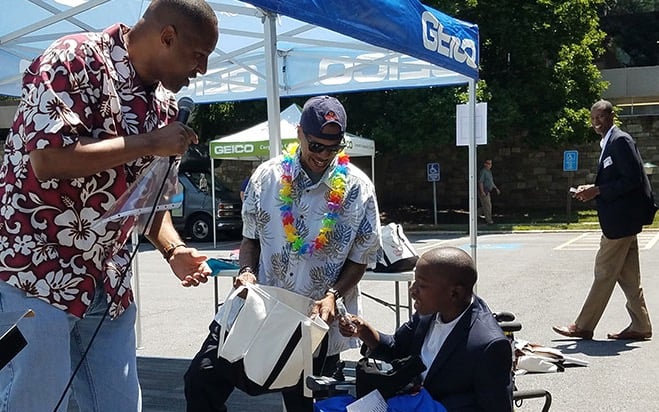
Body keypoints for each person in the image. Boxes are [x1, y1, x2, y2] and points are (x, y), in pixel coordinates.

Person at [0, 1, 218, 411]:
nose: (201, 70)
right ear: (167, 37)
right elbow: (48, 158)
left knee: (119, 404)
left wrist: (173, 249)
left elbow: (150, 202)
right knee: (33, 403)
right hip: (36, 275)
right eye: (198, 56)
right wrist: (151, 142)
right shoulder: (73, 58)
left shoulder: (165, 107)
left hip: (108, 284)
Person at [184, 95, 382, 412]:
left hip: (314, 321)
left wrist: (333, 294)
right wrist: (246, 271)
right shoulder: (267, 177)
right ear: (300, 133)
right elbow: (250, 239)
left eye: (334, 148)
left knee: (305, 406)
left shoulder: (358, 188)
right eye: (317, 145)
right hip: (260, 309)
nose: (324, 155)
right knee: (201, 380)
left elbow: (361, 258)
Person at [339, 246, 513, 411]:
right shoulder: (428, 314)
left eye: (421, 285)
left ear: (455, 293)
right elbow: (396, 348)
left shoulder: (487, 345)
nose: (412, 290)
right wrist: (364, 332)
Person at [553, 100, 653, 341]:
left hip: (620, 222)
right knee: (629, 278)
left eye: (600, 117)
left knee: (604, 272)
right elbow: (617, 180)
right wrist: (592, 189)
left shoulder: (620, 141)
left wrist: (596, 191)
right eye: (593, 118)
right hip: (621, 222)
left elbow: (633, 180)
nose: (596, 122)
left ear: (612, 116)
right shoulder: (609, 142)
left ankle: (583, 326)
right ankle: (641, 325)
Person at [478, 159, 500, 224]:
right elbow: (480, 182)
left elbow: (491, 182)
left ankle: (474, 214)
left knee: (485, 205)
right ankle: (489, 220)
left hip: (488, 191)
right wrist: (482, 192)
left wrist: (496, 188)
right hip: (484, 190)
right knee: (488, 206)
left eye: (490, 163)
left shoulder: (489, 171)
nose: (490, 165)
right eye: (488, 163)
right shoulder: (483, 172)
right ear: (485, 164)